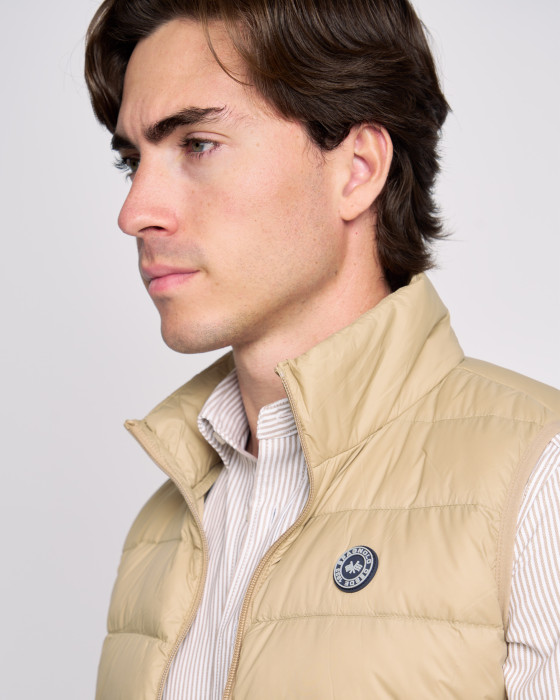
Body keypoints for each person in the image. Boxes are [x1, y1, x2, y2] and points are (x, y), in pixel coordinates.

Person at [85, 0, 560, 697]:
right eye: (132, 161)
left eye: (197, 144)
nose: (134, 213)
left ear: (358, 168)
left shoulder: (541, 479)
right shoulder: (161, 528)